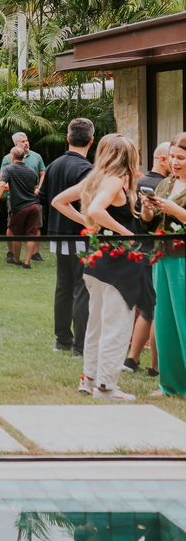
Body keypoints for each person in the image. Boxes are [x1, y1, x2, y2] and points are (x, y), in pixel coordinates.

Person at [52, 133, 145, 401]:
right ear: (128, 156)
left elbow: (59, 201)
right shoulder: (117, 180)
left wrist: (90, 224)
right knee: (117, 325)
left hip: (97, 261)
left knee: (97, 323)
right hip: (117, 264)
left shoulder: (95, 178)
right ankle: (106, 386)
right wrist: (124, 232)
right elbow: (96, 208)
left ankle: (89, 378)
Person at [139, 133, 186, 398]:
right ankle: (169, 385)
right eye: (172, 158)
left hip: (183, 260)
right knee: (165, 323)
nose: (175, 163)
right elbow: (151, 222)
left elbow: (177, 215)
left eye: (181, 158)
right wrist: (147, 210)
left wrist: (175, 210)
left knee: (184, 321)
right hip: (162, 258)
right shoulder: (166, 184)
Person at [43, 118, 95, 355]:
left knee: (63, 287)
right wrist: (87, 222)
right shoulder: (86, 169)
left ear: (68, 138)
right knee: (81, 287)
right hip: (79, 235)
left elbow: (43, 196)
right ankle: (80, 346)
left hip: (56, 233)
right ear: (91, 141)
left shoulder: (53, 165)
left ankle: (63, 339)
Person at [127, 141, 169, 375]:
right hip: (155, 251)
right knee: (155, 309)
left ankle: (132, 359)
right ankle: (155, 366)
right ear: (163, 159)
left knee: (146, 308)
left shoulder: (138, 182)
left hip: (137, 249)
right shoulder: (164, 186)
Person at [0, 132, 47, 263]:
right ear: (16, 144)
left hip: (34, 197)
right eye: (23, 141)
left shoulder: (36, 156)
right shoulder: (8, 158)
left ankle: (35, 253)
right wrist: (15, 187)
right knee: (11, 226)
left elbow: (43, 174)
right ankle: (11, 253)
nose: (26, 143)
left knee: (37, 226)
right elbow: (2, 178)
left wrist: (38, 188)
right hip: (15, 198)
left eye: (27, 140)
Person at [0, 145, 41, 268]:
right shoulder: (31, 171)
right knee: (32, 234)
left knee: (17, 234)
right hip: (34, 206)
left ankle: (16, 259)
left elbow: (1, 185)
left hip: (20, 207)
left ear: (12, 156)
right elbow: (34, 189)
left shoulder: (9, 169)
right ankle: (27, 262)